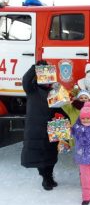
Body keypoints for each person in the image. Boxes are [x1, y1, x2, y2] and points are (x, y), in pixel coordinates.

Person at [21, 60, 62, 191]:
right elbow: (26, 79)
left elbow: (61, 107)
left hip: (51, 127)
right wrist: (36, 67)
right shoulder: (32, 89)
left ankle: (49, 176)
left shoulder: (54, 91)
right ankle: (45, 178)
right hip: (36, 128)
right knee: (38, 154)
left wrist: (62, 116)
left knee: (51, 154)